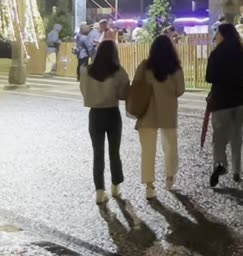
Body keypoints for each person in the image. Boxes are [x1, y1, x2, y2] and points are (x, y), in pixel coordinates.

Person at [206, 22, 243, 186]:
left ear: (222, 35)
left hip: (221, 101)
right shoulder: (242, 51)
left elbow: (209, 77)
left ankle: (220, 164)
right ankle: (237, 171)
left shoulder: (216, 54)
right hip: (240, 99)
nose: (216, 37)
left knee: (219, 137)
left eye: (217, 34)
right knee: (237, 136)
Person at [133, 35, 186, 199]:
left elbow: (135, 86)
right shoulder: (175, 68)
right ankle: (169, 178)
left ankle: (149, 186)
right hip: (168, 112)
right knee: (170, 147)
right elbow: (180, 91)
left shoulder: (144, 66)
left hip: (146, 113)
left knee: (148, 151)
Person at [80, 41, 130, 205]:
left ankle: (100, 192)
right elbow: (124, 95)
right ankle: (116, 186)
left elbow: (83, 91)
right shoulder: (118, 72)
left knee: (98, 153)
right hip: (112, 114)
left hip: (95, 115)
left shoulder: (86, 71)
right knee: (114, 152)